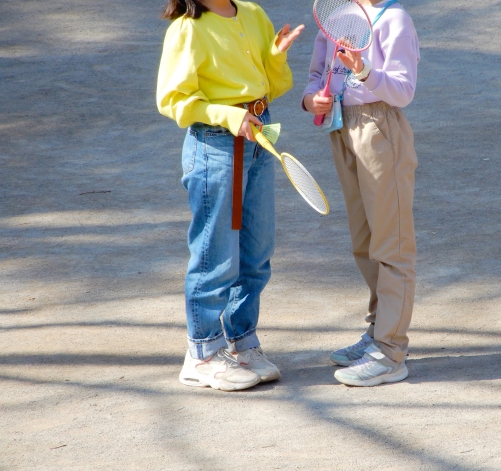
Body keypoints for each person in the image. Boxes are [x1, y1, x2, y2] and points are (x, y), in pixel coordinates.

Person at [156, 0, 304, 391]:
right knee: (215, 254)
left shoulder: (253, 15)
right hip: (216, 144)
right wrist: (228, 116)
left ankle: (241, 342)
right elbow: (174, 100)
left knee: (257, 251)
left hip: (260, 133)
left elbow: (273, 87)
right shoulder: (187, 29)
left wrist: (274, 57)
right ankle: (202, 353)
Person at [302, 0, 419, 386]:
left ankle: (390, 351)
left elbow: (402, 91)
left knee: (392, 244)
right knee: (364, 242)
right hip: (340, 128)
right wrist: (311, 100)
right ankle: (376, 332)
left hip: (379, 128)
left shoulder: (396, 19)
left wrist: (363, 70)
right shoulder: (337, 17)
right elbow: (317, 75)